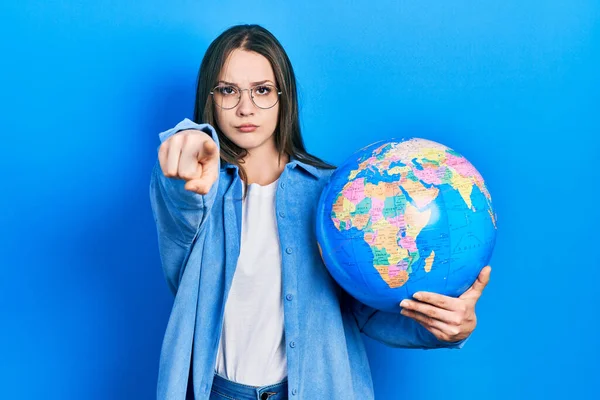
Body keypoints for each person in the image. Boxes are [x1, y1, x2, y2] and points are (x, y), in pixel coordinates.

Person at [149, 24, 491, 400]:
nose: (245, 108)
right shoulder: (199, 187)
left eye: (262, 90)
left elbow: (364, 310)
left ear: (284, 97)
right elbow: (180, 202)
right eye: (228, 91)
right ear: (210, 98)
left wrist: (443, 329)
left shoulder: (336, 196)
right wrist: (188, 139)